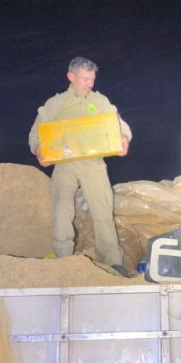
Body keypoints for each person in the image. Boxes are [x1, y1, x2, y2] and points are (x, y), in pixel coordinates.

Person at [28, 57, 133, 277]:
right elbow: (36, 132)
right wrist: (38, 150)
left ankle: (114, 261)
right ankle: (63, 259)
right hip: (64, 165)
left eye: (92, 79)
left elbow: (119, 124)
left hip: (93, 164)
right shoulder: (55, 103)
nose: (90, 84)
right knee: (61, 210)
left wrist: (124, 137)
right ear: (71, 77)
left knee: (103, 210)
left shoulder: (100, 101)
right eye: (86, 79)